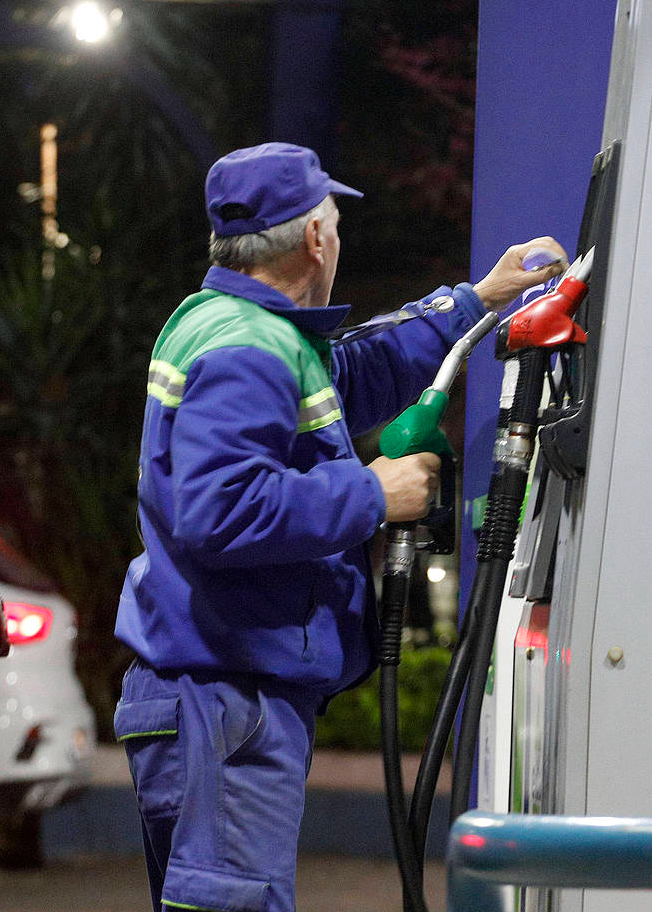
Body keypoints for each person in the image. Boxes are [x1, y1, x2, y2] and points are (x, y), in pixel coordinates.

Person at [112, 141, 565, 912]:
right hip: (227, 698)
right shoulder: (247, 350)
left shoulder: (241, 328)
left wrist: (477, 300)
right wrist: (372, 493)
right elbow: (217, 514)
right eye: (334, 220)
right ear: (316, 237)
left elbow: (353, 372)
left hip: (218, 692)